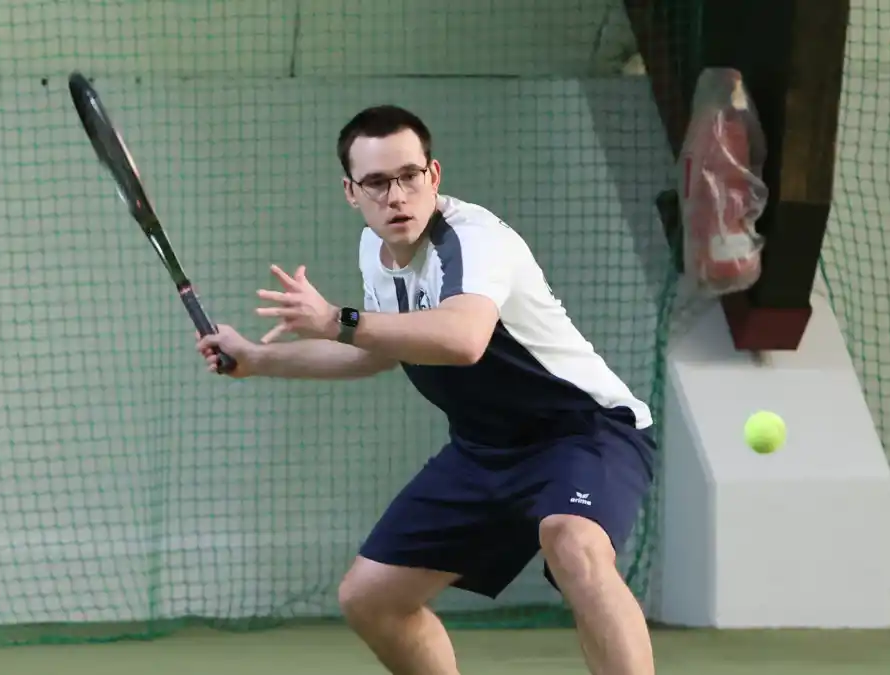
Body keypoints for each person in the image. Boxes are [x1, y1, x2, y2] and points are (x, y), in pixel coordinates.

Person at [196, 105, 657, 675]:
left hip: (582, 433)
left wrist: (336, 317)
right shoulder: (376, 250)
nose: (396, 196)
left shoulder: (473, 241)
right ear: (351, 191)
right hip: (484, 449)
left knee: (573, 542)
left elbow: (463, 339)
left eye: (410, 176)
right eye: (376, 182)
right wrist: (260, 358)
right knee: (370, 598)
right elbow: (379, 352)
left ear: (433, 176)